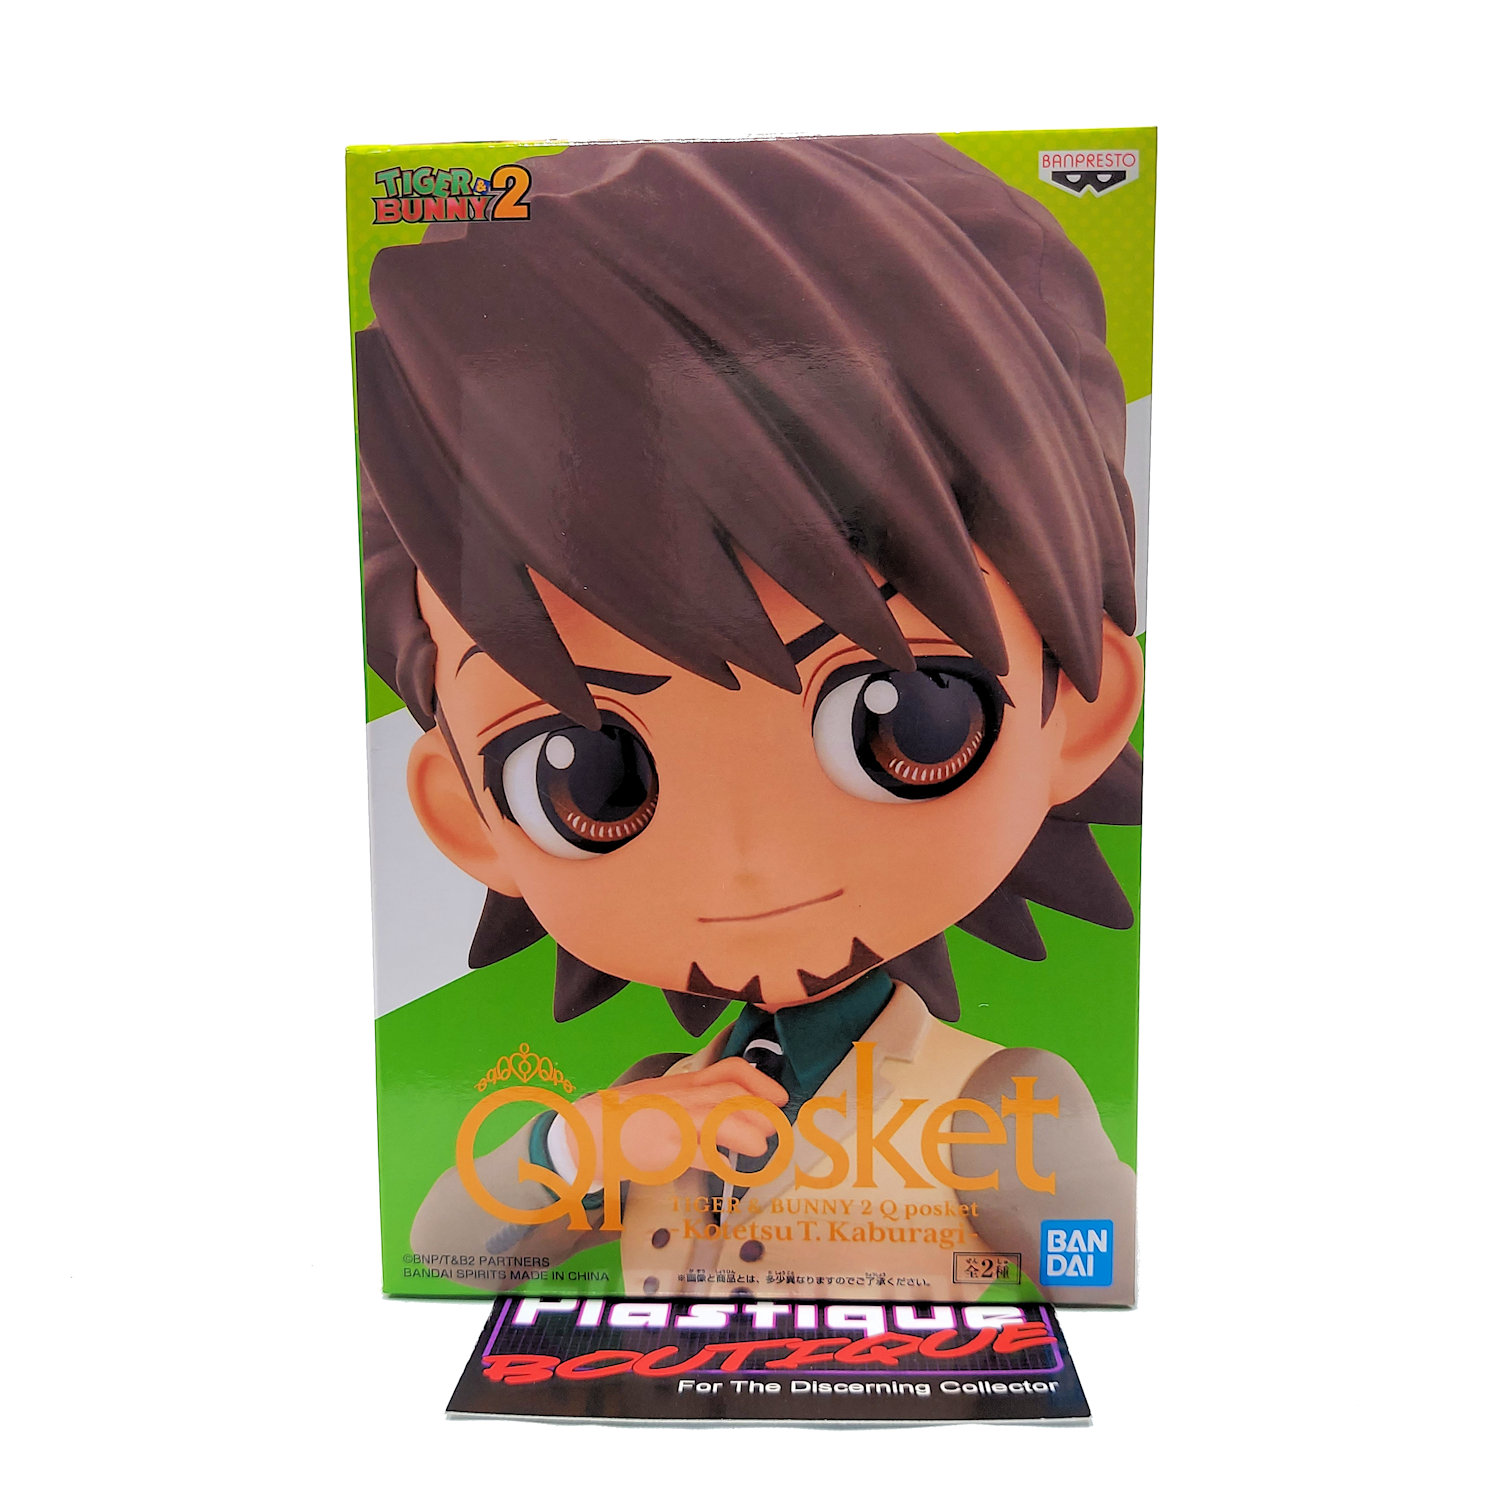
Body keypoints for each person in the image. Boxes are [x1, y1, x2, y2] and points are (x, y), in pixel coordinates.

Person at [357, 135, 1143, 1303]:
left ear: (1079, 706)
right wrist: (582, 1145)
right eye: (586, 775)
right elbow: (445, 1252)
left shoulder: (991, 1103)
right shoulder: (656, 1098)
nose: (750, 856)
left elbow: (1113, 1269)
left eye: (905, 723)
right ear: (465, 811)